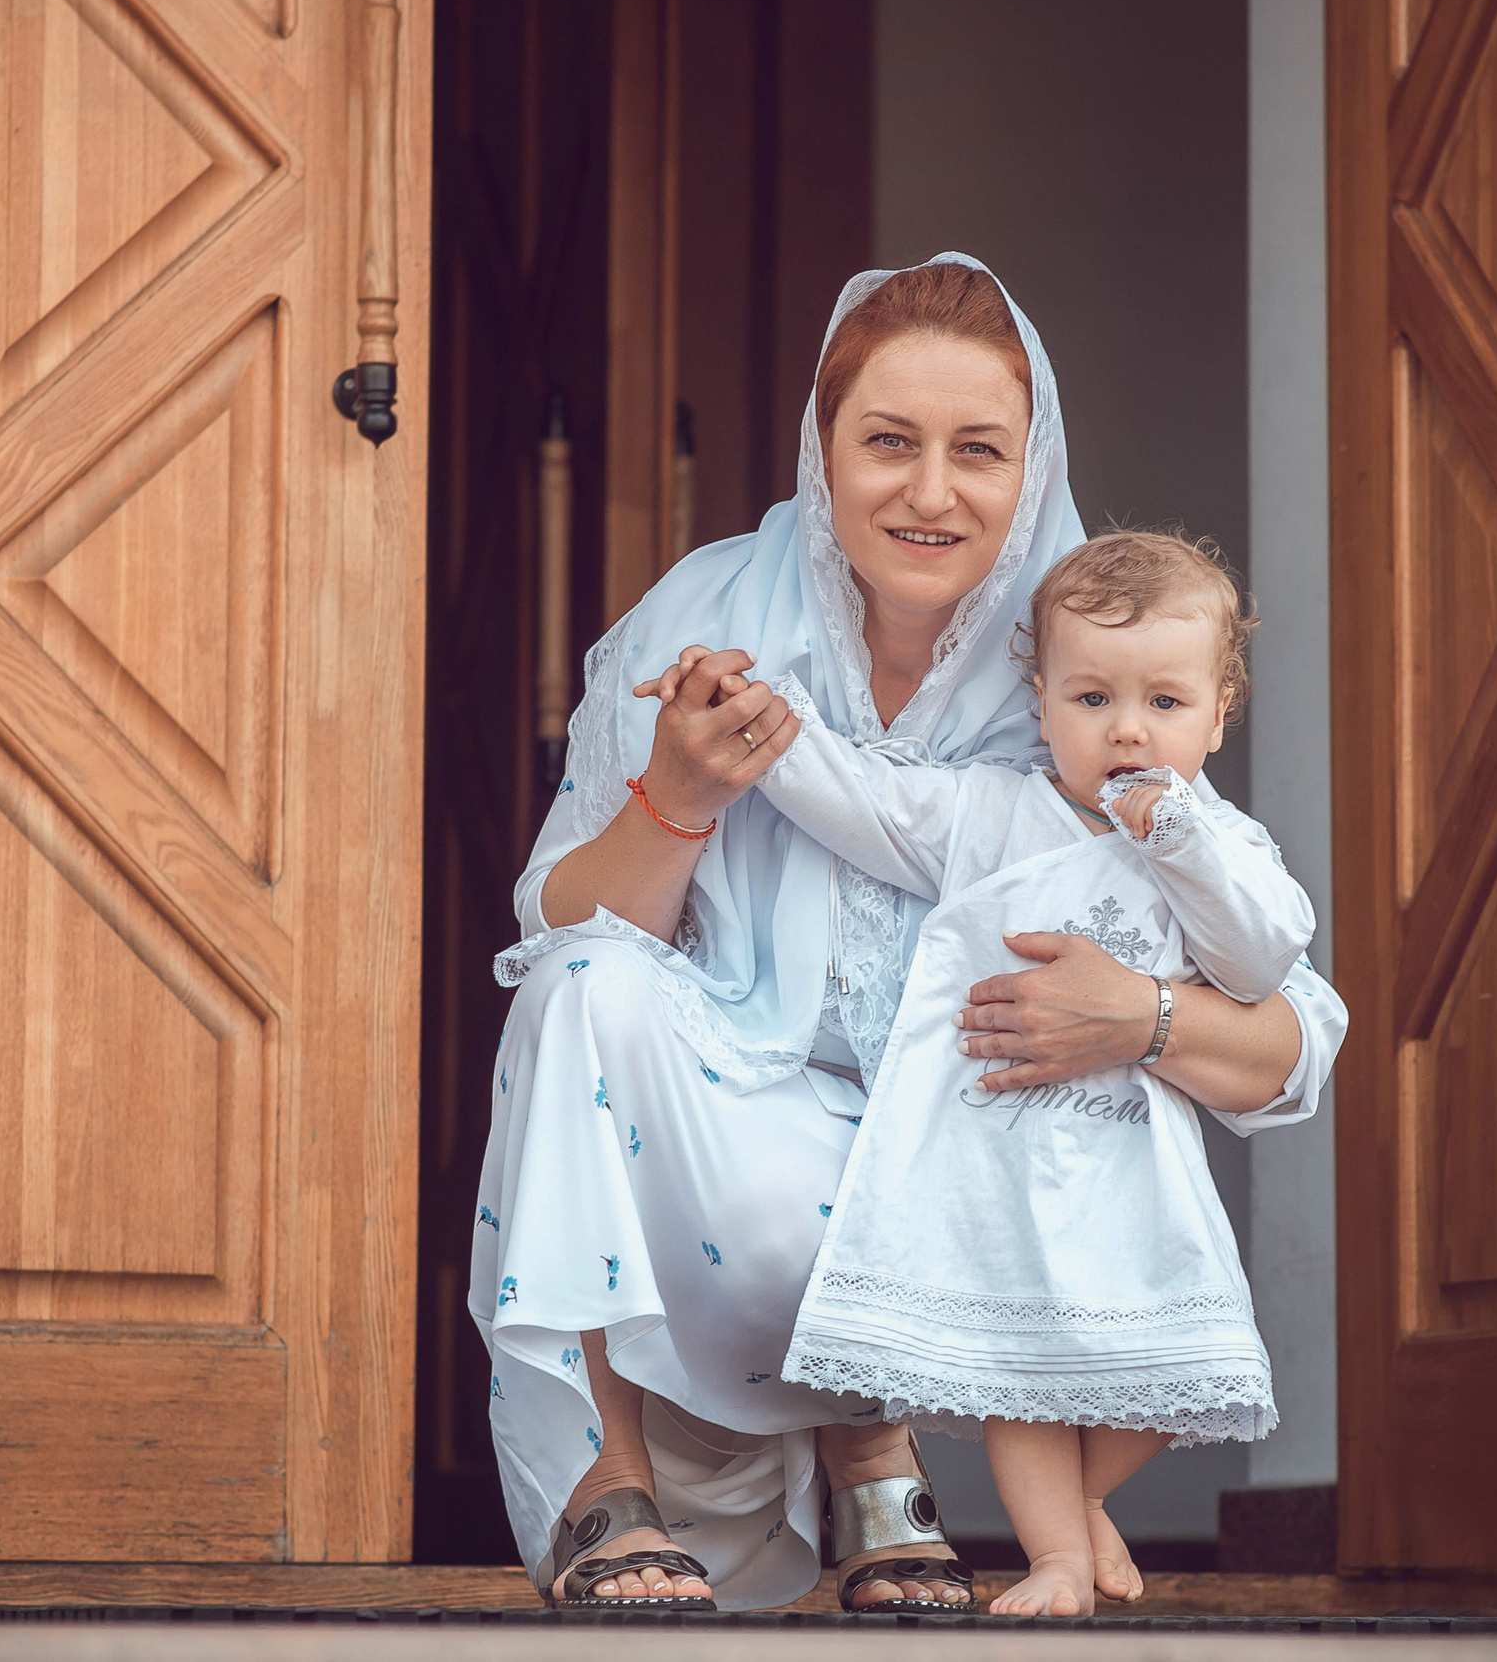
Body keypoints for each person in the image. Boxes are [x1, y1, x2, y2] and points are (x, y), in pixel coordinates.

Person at [468, 256, 1346, 1613]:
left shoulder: (1087, 662)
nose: (932, 493)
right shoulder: (706, 621)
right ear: (824, 454)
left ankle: (878, 1449)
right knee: (582, 980)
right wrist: (680, 799)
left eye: (978, 451)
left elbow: (1293, 1027)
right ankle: (609, 1472)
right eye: (888, 441)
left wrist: (1143, 1018)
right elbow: (554, 925)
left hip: (942, 1197)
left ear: (1031, 462)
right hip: (719, 1163)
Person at [739, 528, 1332, 1617]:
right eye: (1092, 697)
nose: (1126, 728)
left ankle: (1081, 1503)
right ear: (1042, 701)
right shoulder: (993, 814)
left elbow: (1262, 957)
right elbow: (864, 803)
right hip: (999, 1158)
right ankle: (1056, 1553)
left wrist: (1180, 839)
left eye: (1163, 701)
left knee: (1171, 1362)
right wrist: (772, 732)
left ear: (1217, 710)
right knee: (1020, 1377)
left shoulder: (1223, 840)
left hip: (1128, 1165)